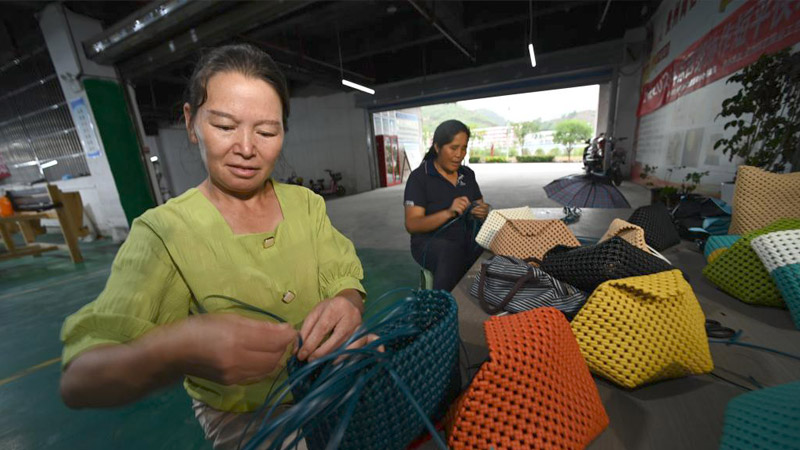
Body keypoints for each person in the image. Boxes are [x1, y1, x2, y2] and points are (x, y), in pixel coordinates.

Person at [58, 44, 373, 450]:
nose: (246, 147)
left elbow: (344, 276)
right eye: (225, 126)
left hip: (331, 384)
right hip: (248, 419)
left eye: (266, 131)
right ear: (191, 123)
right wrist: (177, 349)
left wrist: (348, 302)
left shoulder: (306, 205)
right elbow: (79, 381)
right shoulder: (164, 232)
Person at [404, 120, 489, 291]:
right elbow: (412, 224)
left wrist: (482, 211)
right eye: (453, 147)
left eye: (464, 148)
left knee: (491, 247)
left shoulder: (467, 174)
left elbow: (480, 204)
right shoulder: (420, 178)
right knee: (449, 252)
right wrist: (448, 212)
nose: (459, 154)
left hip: (465, 238)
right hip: (430, 243)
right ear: (437, 147)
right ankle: (441, 306)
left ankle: (482, 299)